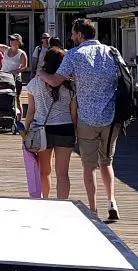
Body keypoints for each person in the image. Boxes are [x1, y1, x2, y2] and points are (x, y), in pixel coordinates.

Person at [48, 19, 122, 222]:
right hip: (111, 116)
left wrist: (41, 74)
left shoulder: (74, 54)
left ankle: (93, 210)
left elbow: (56, 81)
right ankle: (112, 202)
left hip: (87, 117)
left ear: (80, 34)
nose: (72, 38)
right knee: (107, 162)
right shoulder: (112, 52)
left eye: (73, 34)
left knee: (89, 167)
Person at [22, 49, 76, 200]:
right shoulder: (70, 85)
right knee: (63, 173)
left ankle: (45, 200)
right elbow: (73, 113)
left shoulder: (34, 83)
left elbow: (31, 111)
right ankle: (62, 203)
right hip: (65, 128)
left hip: (42, 130)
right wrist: (76, 130)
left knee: (44, 171)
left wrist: (26, 131)